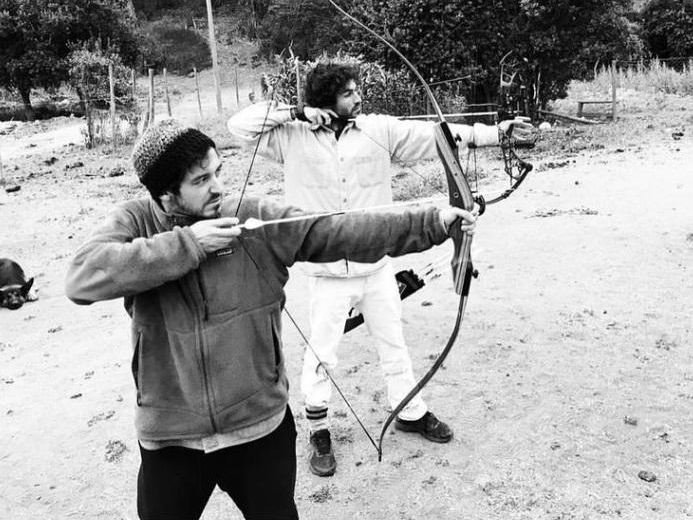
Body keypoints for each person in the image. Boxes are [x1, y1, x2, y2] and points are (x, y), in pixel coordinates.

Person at [64, 118, 478, 520]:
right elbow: (82, 278)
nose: (218, 187)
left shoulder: (250, 214)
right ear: (166, 196)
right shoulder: (134, 222)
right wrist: (188, 244)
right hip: (170, 435)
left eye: (217, 172)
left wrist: (434, 223)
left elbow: (336, 231)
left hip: (257, 427)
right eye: (200, 180)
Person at [228, 62, 531, 477]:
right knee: (322, 354)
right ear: (326, 100)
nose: (358, 97)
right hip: (326, 270)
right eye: (349, 92)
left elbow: (440, 137)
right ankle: (319, 429)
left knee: (394, 343)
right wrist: (298, 112)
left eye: (357, 90)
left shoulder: (377, 129)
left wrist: (496, 134)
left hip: (376, 266)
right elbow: (239, 126)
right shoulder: (290, 136)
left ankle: (408, 410)